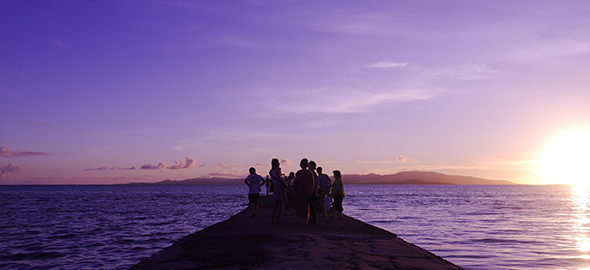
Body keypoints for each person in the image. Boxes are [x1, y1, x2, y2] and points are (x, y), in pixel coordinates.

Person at [292, 158, 313, 226]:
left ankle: (297, 220)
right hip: (307, 190)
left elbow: (295, 182)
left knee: (298, 205)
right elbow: (312, 183)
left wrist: (293, 189)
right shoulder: (310, 173)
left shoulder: (299, 173)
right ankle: (305, 220)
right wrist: (311, 191)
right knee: (306, 206)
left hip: (299, 190)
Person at [270, 158, 287, 225]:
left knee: (276, 205)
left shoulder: (271, 171)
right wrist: (284, 183)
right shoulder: (278, 169)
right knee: (281, 204)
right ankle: (277, 220)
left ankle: (273, 220)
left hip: (275, 187)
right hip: (280, 187)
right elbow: (279, 178)